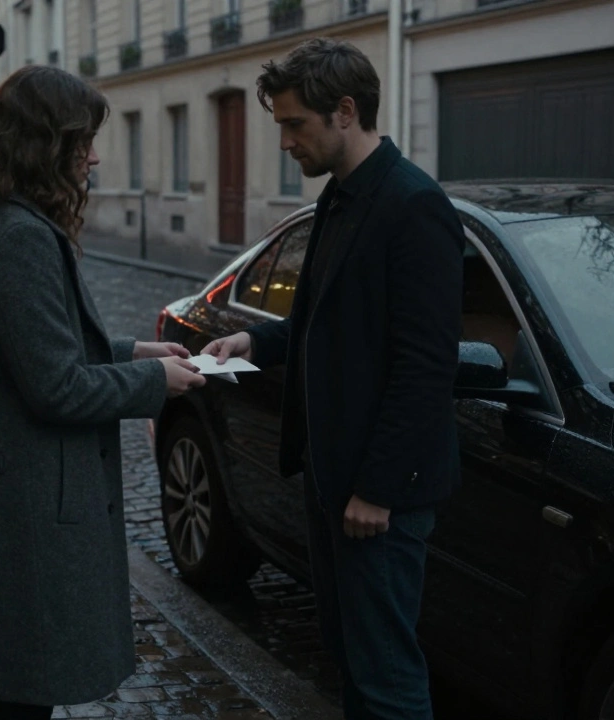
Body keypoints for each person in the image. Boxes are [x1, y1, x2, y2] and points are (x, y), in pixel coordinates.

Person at [0, 65, 206, 720]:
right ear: (45, 145)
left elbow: (34, 351)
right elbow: (55, 385)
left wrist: (135, 352)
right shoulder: (22, 237)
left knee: (9, 691)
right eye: (84, 142)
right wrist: (154, 382)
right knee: (20, 697)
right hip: (23, 514)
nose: (95, 156)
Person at [204, 38, 464, 720]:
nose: (286, 142)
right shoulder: (338, 198)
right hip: (330, 478)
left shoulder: (414, 206)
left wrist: (378, 489)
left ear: (345, 111)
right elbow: (322, 322)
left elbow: (426, 365)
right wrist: (254, 338)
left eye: (295, 124)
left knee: (386, 676)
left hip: (378, 496)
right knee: (348, 654)